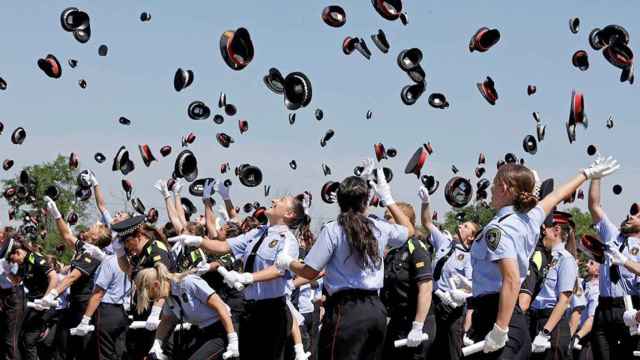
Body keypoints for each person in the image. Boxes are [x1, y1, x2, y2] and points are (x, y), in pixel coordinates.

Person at [466, 156, 619, 360]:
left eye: (494, 185)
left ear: (504, 187)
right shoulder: (528, 219)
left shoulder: (498, 228)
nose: (491, 191)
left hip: (496, 315)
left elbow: (510, 280)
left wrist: (500, 329)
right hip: (514, 318)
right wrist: (586, 174)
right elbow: (556, 196)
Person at [276, 162, 417, 360]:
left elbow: (309, 272)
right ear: (366, 202)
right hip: (376, 310)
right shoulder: (379, 227)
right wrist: (387, 198)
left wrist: (287, 262)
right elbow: (410, 230)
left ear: (339, 201)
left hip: (346, 311)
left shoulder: (333, 229)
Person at [170, 186, 311, 360]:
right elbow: (224, 246)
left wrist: (248, 277)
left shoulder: (288, 240)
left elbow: (279, 269)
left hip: (272, 311)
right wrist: (198, 240)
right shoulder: (256, 233)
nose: (274, 201)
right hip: (249, 309)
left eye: (280, 200)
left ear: (289, 214)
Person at [39, 196, 112, 360]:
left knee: (77, 351)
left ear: (95, 237)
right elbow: (66, 235)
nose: (95, 224)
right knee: (61, 348)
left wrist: (52, 294)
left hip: (83, 307)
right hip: (74, 304)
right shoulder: (85, 247)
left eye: (97, 226)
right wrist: (56, 214)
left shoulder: (93, 255)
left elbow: (72, 277)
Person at [586, 162, 640, 360]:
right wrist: (596, 177)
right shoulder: (614, 235)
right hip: (603, 308)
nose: (629, 215)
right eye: (630, 211)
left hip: (626, 308)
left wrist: (624, 260)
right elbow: (594, 206)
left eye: (636, 214)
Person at [420, 186, 478, 360]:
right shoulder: (444, 241)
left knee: (452, 350)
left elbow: (470, 284)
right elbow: (427, 223)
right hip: (433, 301)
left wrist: (458, 295)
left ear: (472, 236)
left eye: (466, 226)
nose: (460, 225)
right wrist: (425, 202)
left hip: (452, 307)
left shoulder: (470, 256)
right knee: (430, 346)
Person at [135, 263, 239, 360]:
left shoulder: (188, 283)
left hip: (225, 328)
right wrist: (157, 344)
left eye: (152, 296)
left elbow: (220, 307)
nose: (155, 300)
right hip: (204, 330)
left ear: (157, 285)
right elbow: (167, 321)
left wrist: (232, 339)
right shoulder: (168, 294)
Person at [109, 215, 174, 360]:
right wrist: (120, 254)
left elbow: (164, 282)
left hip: (159, 311)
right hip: (142, 309)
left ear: (138, 236)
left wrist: (156, 312)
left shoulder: (156, 249)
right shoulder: (139, 253)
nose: (126, 246)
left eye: (127, 241)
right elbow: (128, 271)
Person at [381, 201, 435, 359]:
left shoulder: (416, 248)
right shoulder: (392, 253)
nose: (385, 222)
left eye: (388, 217)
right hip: (397, 321)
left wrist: (418, 326)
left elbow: (425, 288)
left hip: (417, 322)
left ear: (402, 219)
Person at [529, 212, 578, 360]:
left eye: (545, 229)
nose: (542, 233)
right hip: (533, 319)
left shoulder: (566, 260)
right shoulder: (541, 256)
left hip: (552, 324)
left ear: (556, 230)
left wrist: (545, 332)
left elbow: (563, 301)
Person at [69, 251, 131, 360]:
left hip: (106, 309)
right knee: (118, 353)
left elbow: (98, 294)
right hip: (121, 310)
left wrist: (85, 320)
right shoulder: (130, 262)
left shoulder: (111, 261)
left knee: (103, 353)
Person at [8, 240, 58, 360]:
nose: (13, 262)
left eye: (13, 259)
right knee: (20, 337)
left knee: (28, 340)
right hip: (33, 305)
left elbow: (54, 276)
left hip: (45, 305)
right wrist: (6, 270)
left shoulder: (35, 259)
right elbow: (16, 280)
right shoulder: (23, 263)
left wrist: (46, 298)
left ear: (18, 252)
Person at [0, 231, 25, 360]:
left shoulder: (11, 257)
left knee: (11, 341)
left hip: (13, 296)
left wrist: (6, 271)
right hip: (3, 296)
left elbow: (17, 280)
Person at [572, 259, 600, 360]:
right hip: (573, 332)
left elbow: (592, 318)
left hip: (585, 336)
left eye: (591, 263)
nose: (587, 265)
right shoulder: (584, 283)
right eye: (588, 262)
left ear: (598, 271)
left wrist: (577, 337)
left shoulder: (596, 290)